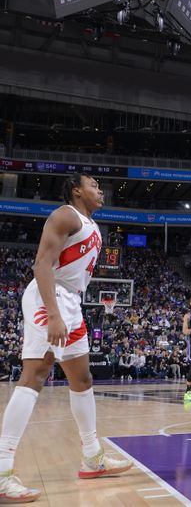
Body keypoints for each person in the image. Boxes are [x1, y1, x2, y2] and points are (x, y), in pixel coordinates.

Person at [0, 173, 131, 503]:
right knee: (36, 374)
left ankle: (93, 457)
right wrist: (54, 312)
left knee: (82, 378)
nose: (99, 190)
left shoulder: (92, 225)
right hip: (50, 296)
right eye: (93, 185)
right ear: (76, 190)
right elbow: (42, 263)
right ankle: (2, 471)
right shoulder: (65, 215)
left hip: (72, 299)